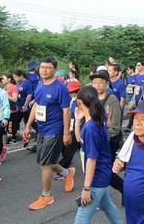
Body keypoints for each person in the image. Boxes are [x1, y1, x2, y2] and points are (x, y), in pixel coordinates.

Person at [23, 56, 75, 210]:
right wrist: (27, 126)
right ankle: (67, 173)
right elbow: (36, 106)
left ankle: (47, 196)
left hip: (54, 129)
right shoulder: (39, 85)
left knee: (45, 164)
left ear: (54, 70)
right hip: (42, 128)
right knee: (45, 163)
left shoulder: (60, 88)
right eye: (42, 67)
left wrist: (66, 133)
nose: (44, 70)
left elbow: (66, 111)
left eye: (48, 68)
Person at [73, 86, 123, 224]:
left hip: (96, 177)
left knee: (81, 219)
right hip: (102, 174)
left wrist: (86, 188)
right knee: (106, 206)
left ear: (80, 103)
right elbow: (79, 139)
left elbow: (91, 159)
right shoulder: (96, 120)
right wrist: (77, 121)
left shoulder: (90, 128)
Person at [89, 70, 124, 194]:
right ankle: (100, 197)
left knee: (106, 172)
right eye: (94, 82)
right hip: (96, 140)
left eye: (100, 82)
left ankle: (124, 189)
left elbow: (114, 127)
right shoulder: (92, 99)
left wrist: (101, 141)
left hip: (109, 141)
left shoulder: (112, 99)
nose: (97, 85)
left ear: (107, 83)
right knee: (96, 170)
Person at [55, 81, 82, 179]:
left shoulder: (81, 101)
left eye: (71, 91)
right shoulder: (72, 100)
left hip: (78, 128)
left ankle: (63, 168)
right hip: (69, 126)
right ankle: (63, 163)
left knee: (70, 147)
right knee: (64, 145)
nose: (69, 93)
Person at [2, 73, 19, 146]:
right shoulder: (5, 88)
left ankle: (25, 137)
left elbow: (15, 99)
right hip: (5, 112)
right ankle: (3, 146)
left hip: (12, 111)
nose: (2, 80)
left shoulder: (13, 87)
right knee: (4, 129)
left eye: (3, 78)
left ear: (9, 79)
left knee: (11, 130)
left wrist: (6, 95)